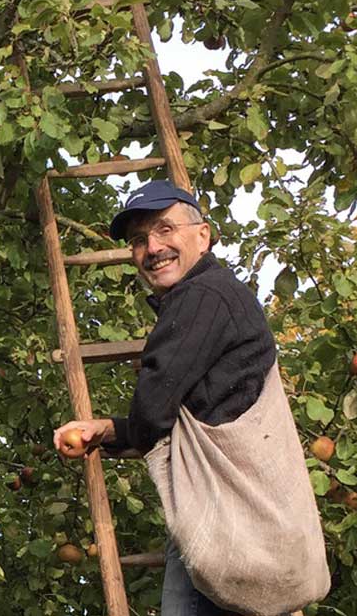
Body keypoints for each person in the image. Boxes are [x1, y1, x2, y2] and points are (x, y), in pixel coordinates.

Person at [51, 180, 278, 616]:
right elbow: (183, 413)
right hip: (241, 511)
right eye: (139, 241)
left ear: (203, 235)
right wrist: (109, 430)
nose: (152, 248)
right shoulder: (218, 294)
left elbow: (155, 412)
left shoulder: (201, 296)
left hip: (220, 518)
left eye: (165, 230)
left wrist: (125, 425)